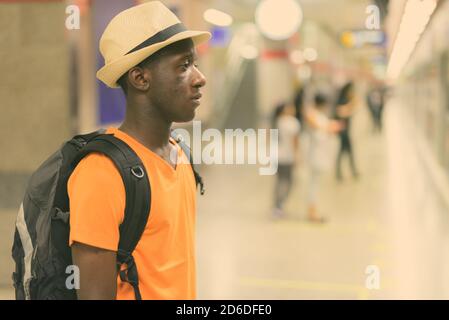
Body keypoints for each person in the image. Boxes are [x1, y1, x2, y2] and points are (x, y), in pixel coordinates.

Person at [68, 1, 210, 300]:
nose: (200, 78)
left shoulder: (179, 154)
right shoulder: (102, 172)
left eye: (194, 64)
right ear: (140, 78)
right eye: (184, 66)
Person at [304, 93, 343, 222]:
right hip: (316, 154)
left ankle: (313, 211)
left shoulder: (319, 116)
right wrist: (330, 128)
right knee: (313, 185)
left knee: (315, 184)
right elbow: (319, 128)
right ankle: (312, 213)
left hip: (320, 153)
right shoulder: (312, 115)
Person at [271, 102, 300, 218]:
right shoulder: (292, 123)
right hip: (287, 156)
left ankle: (277, 206)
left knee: (279, 182)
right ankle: (280, 206)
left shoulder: (277, 122)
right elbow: (295, 142)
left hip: (276, 156)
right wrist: (297, 156)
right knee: (289, 182)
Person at [334, 81, 359, 181]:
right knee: (345, 151)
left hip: (345, 130)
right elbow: (341, 112)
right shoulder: (343, 100)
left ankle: (348, 171)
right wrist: (352, 104)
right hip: (343, 131)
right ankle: (348, 171)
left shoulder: (346, 99)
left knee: (345, 151)